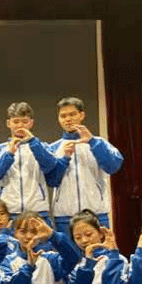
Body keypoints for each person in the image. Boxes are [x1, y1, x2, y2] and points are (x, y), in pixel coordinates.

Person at [46, 97, 123, 234]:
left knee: (101, 248)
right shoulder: (52, 148)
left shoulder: (99, 142)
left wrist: (92, 142)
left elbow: (113, 167)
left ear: (81, 115)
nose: (68, 119)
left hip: (97, 214)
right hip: (65, 217)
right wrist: (65, 158)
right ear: (59, 119)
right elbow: (51, 181)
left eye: (72, 114)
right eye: (63, 116)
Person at [0, 102, 58, 222]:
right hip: (8, 212)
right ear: (8, 123)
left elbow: (50, 167)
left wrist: (33, 143)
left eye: (24, 121)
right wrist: (9, 154)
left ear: (31, 123)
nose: (20, 125)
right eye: (16, 121)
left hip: (38, 211)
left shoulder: (42, 146)